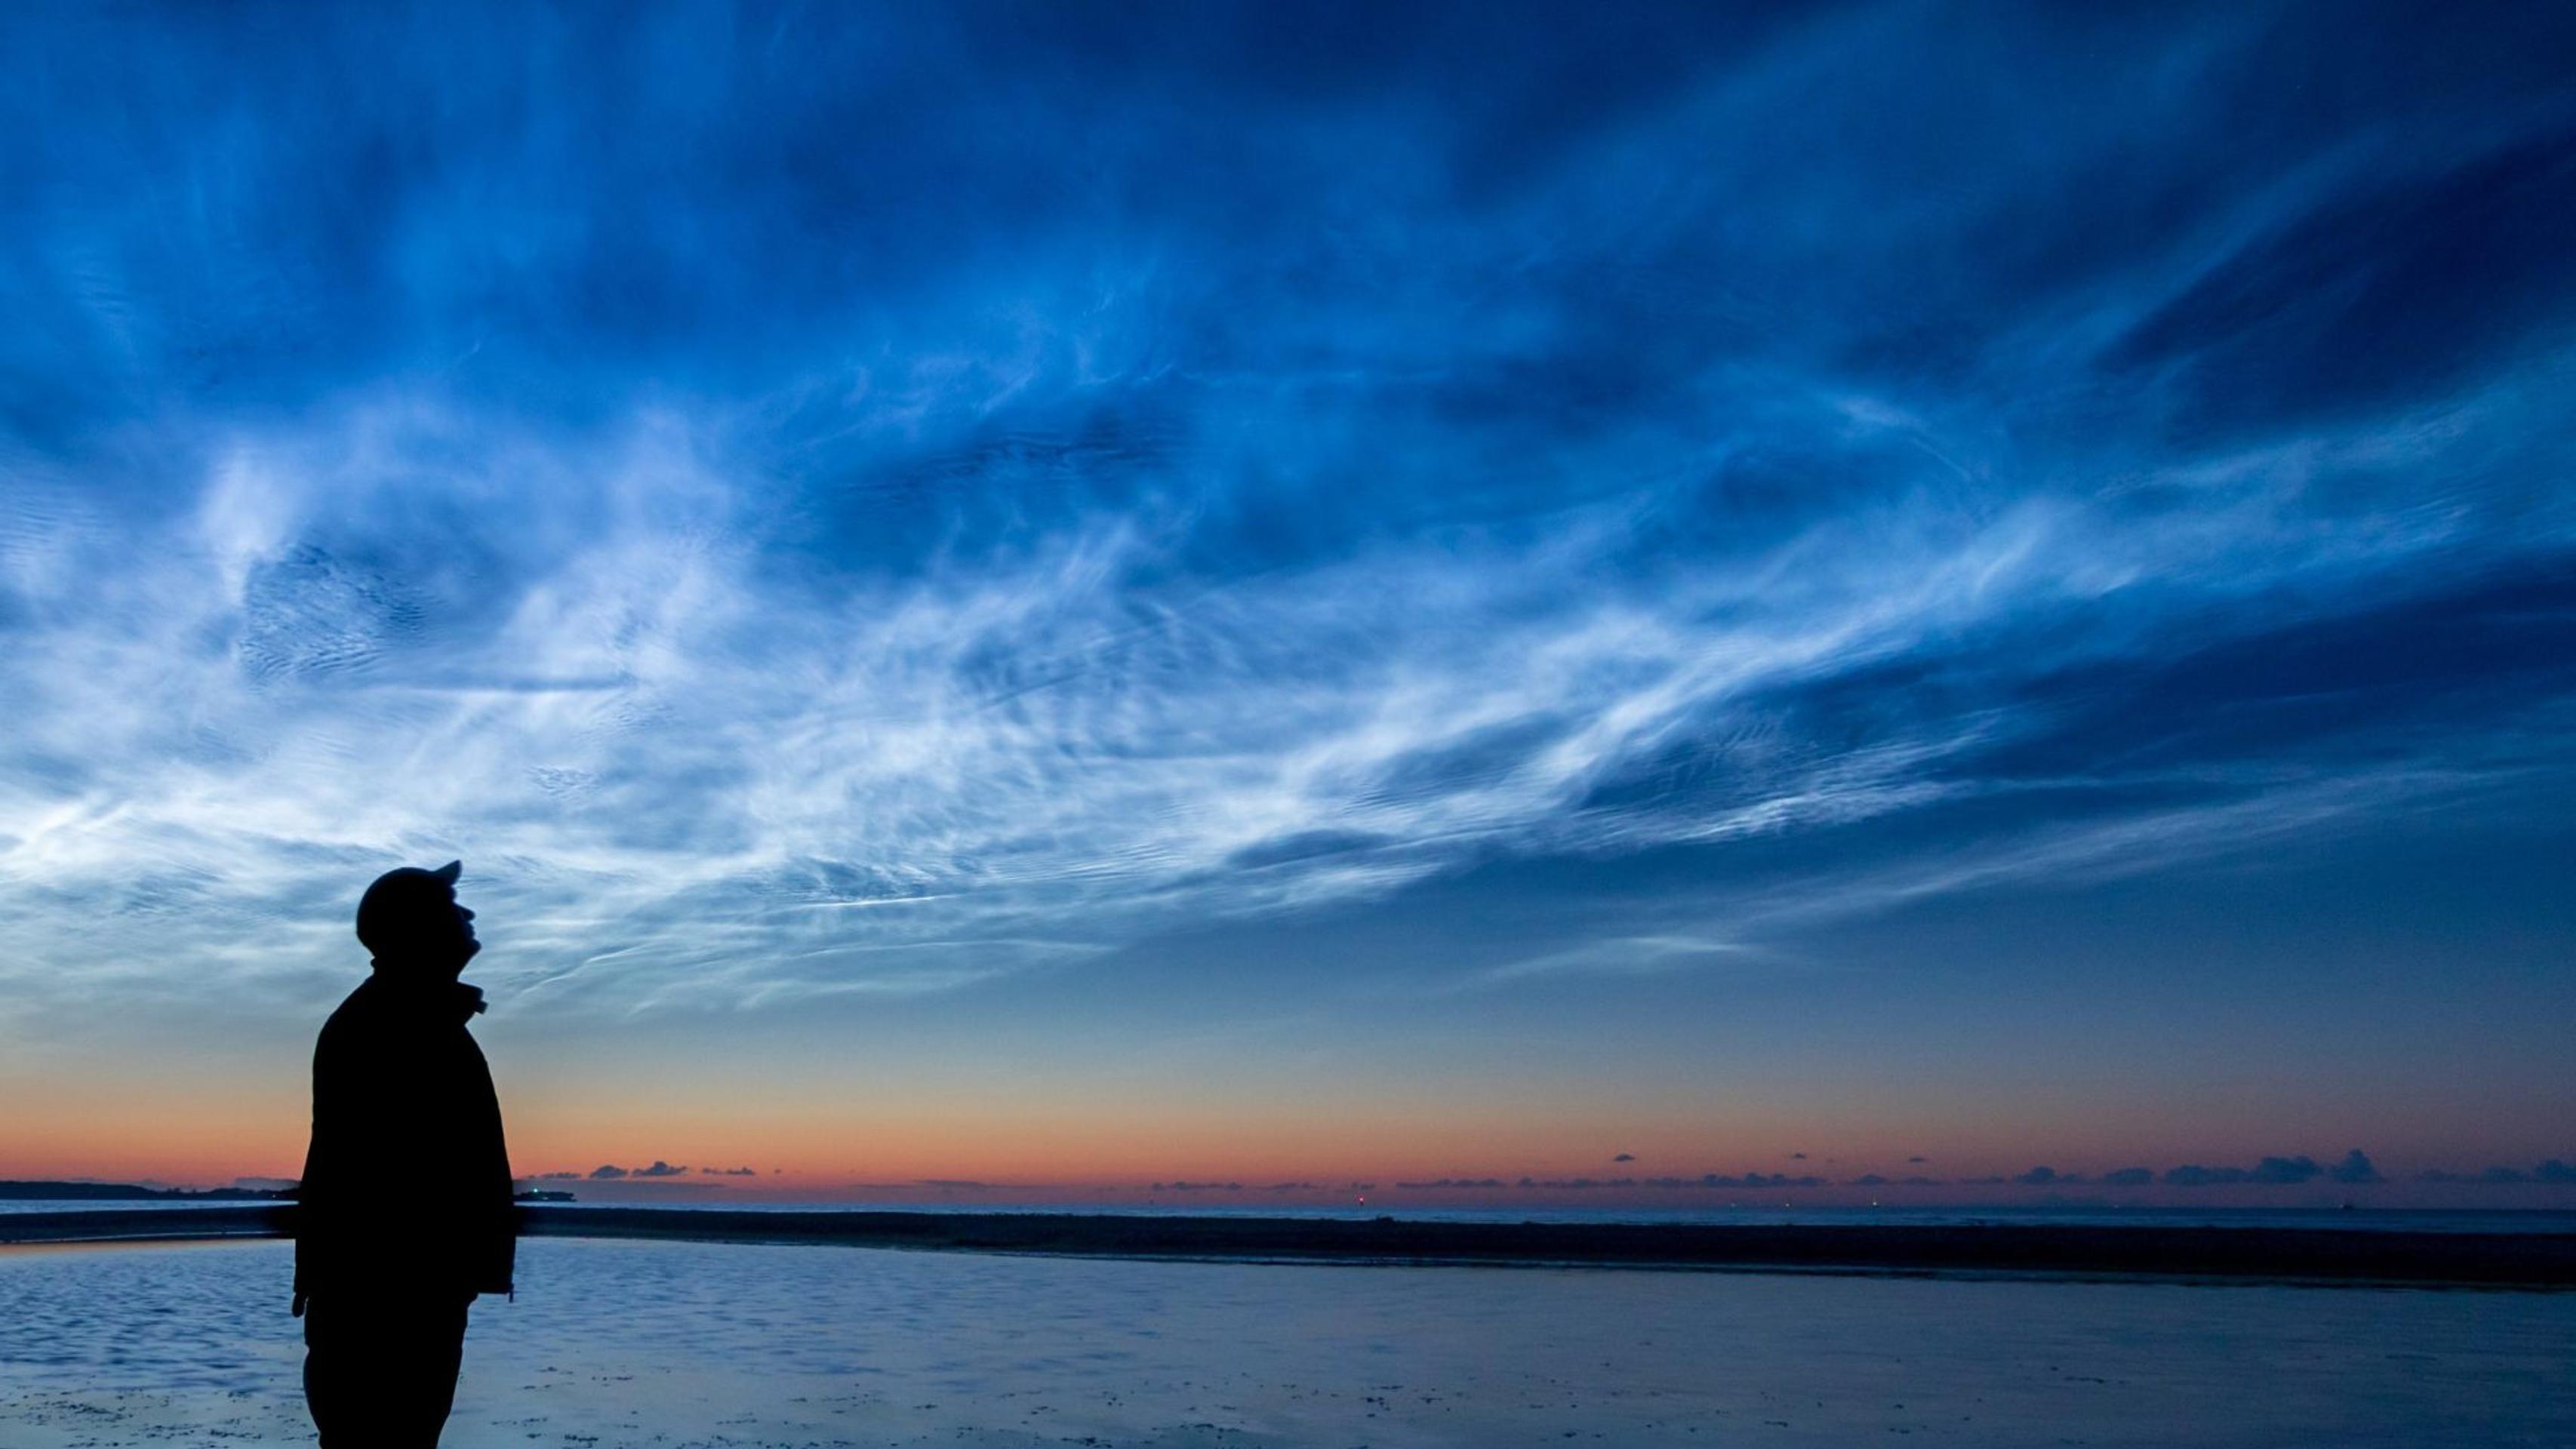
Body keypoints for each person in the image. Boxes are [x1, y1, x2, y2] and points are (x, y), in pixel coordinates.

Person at [294, 860, 516, 1447]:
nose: (467, 915)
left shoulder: (416, 1015)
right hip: (392, 1295)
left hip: (409, 1288)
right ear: (419, 928)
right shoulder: (397, 1022)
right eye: (451, 907)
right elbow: (390, 1172)